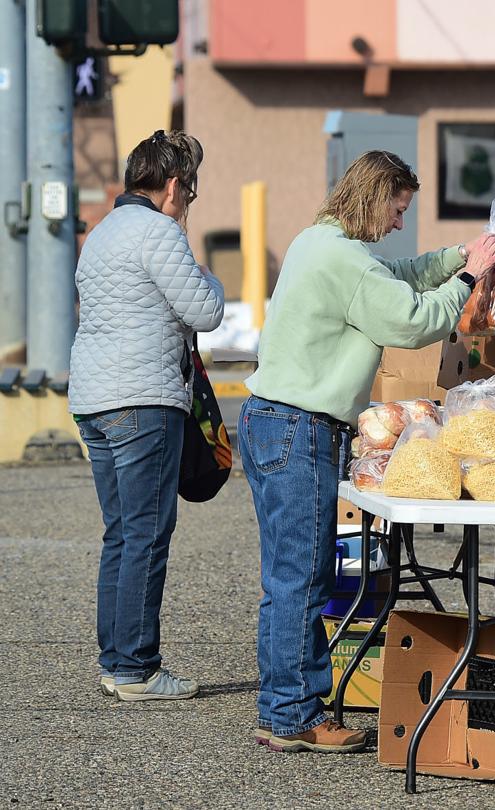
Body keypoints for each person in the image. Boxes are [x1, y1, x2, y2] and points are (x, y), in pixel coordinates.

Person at [241, 150, 495, 754]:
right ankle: (289, 716)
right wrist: (467, 282)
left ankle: (287, 705)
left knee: (286, 577)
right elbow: (413, 320)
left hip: (270, 421)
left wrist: (457, 256)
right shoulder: (344, 260)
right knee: (301, 581)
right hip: (300, 427)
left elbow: (401, 274)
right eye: (397, 208)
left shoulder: (321, 242)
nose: (397, 222)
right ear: (375, 196)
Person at [71, 130, 225, 701]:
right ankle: (137, 668)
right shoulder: (159, 232)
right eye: (190, 191)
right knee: (147, 536)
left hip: (93, 400)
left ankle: (115, 662)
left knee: (121, 533)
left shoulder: (102, 232)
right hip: (142, 399)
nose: (188, 203)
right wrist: (211, 276)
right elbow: (205, 311)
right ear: (173, 185)